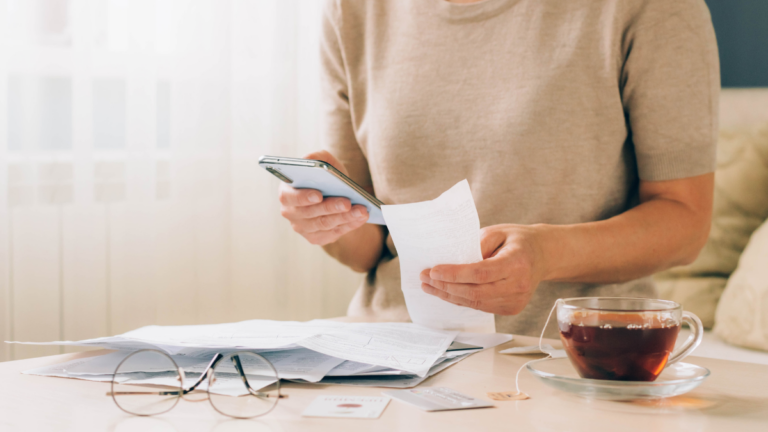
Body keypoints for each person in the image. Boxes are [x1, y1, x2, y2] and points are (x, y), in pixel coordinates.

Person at [277, 0, 719, 336]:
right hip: (394, 352)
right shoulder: (353, 10)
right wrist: (327, 213)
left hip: (580, 352)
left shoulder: (651, 9)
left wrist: (546, 254)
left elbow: (685, 221)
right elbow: (369, 247)